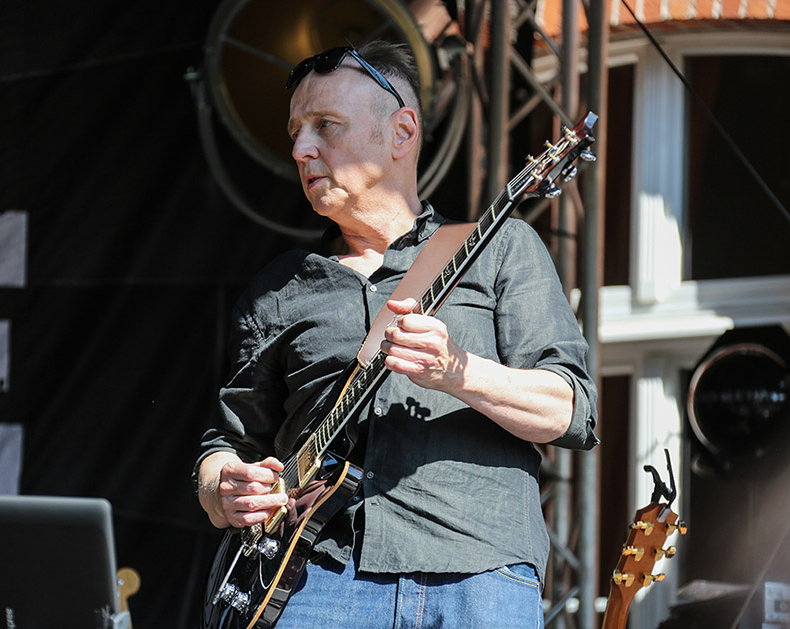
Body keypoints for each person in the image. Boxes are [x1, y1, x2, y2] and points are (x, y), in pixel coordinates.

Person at [195, 40, 598, 628]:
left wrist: (460, 371)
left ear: (401, 131)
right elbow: (228, 446)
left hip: (479, 574)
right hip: (318, 582)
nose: (302, 149)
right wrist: (222, 491)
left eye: (325, 126)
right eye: (295, 132)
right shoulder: (278, 290)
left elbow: (573, 411)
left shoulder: (499, 249)